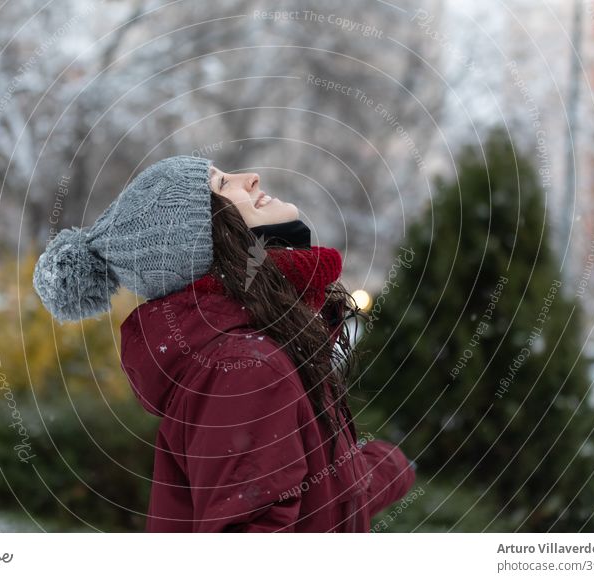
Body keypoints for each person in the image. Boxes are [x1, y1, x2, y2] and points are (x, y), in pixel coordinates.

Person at [32, 155, 415, 532]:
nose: (251, 177)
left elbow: (312, 501)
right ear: (202, 241)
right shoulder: (245, 366)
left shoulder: (262, 345)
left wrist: (386, 469)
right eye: (220, 184)